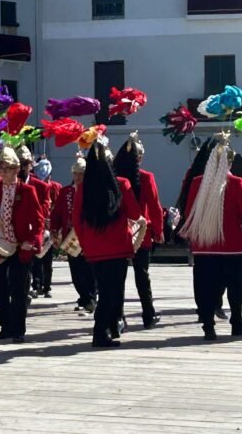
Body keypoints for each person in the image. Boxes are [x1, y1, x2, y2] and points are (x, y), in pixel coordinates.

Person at [180, 134, 242, 340]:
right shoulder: (236, 182)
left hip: (205, 245)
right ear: (229, 161)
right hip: (233, 246)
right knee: (234, 285)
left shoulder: (197, 183)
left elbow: (189, 213)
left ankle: (208, 326)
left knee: (207, 286)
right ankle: (237, 323)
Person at [73, 140, 142, 348]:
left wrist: (86, 243)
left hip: (94, 250)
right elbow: (135, 214)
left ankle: (112, 327)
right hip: (118, 247)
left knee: (106, 290)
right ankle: (100, 332)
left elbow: (77, 220)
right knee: (111, 292)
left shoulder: (83, 188)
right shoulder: (121, 184)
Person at [0, 147, 45, 343]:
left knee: (19, 289)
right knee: (0, 287)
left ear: (16, 170)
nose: (2, 173)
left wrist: (32, 241)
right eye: (0, 169)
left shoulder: (27, 191)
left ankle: (19, 328)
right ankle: (5, 325)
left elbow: (38, 221)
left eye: (7, 169)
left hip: (21, 246)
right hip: (0, 245)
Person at [114, 132, 165, 330]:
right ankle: (148, 314)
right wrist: (159, 231)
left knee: (118, 277)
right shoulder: (146, 177)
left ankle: (119, 317)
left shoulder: (116, 177)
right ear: (140, 158)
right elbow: (155, 205)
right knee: (142, 275)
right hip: (142, 233)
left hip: (119, 232)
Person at [51, 154, 96, 313]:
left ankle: (90, 298)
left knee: (90, 270)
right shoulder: (65, 192)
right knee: (76, 271)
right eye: (75, 173)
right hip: (70, 236)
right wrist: (54, 231)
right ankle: (84, 297)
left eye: (81, 174)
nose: (78, 177)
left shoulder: (93, 192)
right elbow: (56, 214)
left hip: (88, 237)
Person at [16, 145, 51, 298]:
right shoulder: (8, 185)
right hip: (15, 233)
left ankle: (33, 285)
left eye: (25, 163)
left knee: (34, 261)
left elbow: (43, 209)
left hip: (33, 230)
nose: (23, 167)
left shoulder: (41, 187)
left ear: (31, 165)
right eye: (20, 163)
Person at [31, 155, 60, 299]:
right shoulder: (34, 186)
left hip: (50, 226)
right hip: (38, 226)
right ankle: (36, 285)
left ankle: (47, 286)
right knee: (36, 258)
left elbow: (59, 208)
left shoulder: (56, 187)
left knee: (48, 260)